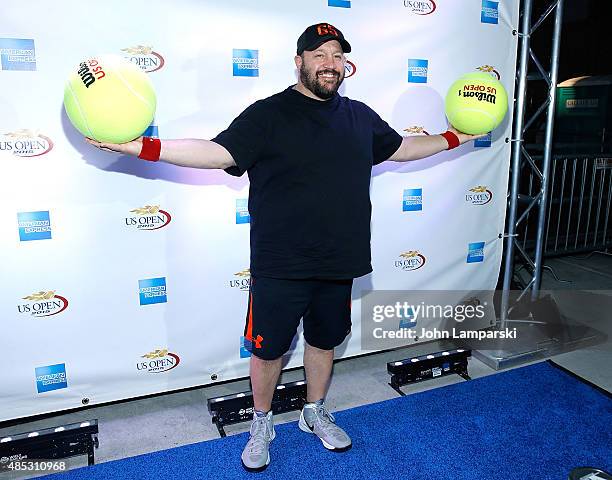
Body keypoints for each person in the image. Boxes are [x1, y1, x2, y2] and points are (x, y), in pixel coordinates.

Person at [87, 22, 482, 473]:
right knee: (268, 350)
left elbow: (403, 148)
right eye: (319, 54)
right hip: (280, 263)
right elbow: (216, 152)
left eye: (336, 55)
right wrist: (142, 147)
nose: (329, 63)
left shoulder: (359, 116)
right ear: (300, 61)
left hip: (339, 259)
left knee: (324, 341)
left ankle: (313, 412)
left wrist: (455, 137)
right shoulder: (268, 114)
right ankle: (261, 422)